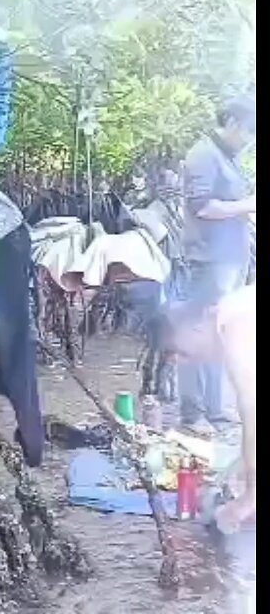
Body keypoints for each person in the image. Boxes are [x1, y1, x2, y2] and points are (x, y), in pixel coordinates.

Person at [178, 97, 256, 433]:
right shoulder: (203, 154)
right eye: (250, 130)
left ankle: (215, 409)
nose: (251, 138)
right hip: (209, 261)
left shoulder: (228, 157)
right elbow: (203, 207)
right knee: (200, 335)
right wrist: (248, 204)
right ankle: (192, 415)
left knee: (222, 336)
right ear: (234, 123)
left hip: (229, 260)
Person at [160, 285, 256, 533]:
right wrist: (239, 467)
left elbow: (252, 412)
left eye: (183, 352)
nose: (183, 361)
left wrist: (249, 497)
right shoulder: (231, 310)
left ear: (197, 327)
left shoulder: (237, 329)